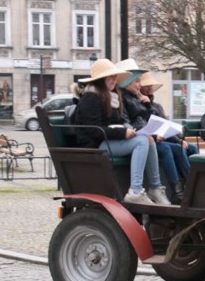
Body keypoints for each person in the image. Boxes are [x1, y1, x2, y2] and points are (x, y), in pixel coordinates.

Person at [73, 58, 170, 206]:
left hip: (108, 141)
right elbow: (94, 131)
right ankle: (135, 191)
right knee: (141, 141)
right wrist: (123, 134)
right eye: (110, 77)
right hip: (94, 146)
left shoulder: (111, 97)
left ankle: (155, 188)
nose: (114, 80)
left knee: (148, 138)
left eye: (114, 77)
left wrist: (129, 130)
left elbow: (116, 123)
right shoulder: (90, 98)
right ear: (100, 80)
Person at [123, 70, 195, 204]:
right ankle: (178, 190)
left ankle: (188, 185)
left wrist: (178, 139)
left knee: (191, 148)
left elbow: (157, 122)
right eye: (146, 85)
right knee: (173, 149)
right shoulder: (130, 100)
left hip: (151, 137)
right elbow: (141, 122)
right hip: (147, 138)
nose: (149, 88)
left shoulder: (146, 102)